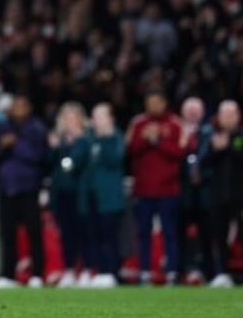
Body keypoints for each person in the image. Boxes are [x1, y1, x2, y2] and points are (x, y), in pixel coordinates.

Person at [125, 90, 186, 286]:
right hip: (143, 189)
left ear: (164, 103)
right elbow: (130, 150)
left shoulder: (175, 124)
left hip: (168, 189)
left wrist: (157, 140)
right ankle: (144, 272)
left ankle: (172, 273)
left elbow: (180, 153)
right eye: (149, 103)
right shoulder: (138, 123)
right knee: (143, 233)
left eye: (157, 102)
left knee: (170, 232)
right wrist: (145, 139)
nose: (153, 107)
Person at [0, 95, 48, 288]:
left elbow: (38, 157)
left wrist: (16, 144)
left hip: (28, 187)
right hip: (6, 188)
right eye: (15, 106)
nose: (18, 110)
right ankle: (8, 275)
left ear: (29, 108)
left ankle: (37, 274)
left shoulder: (37, 128)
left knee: (34, 233)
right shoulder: (2, 128)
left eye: (22, 106)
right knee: (7, 234)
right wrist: (0, 146)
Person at [75, 103, 126, 288]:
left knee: (109, 237)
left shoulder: (116, 137)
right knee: (93, 236)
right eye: (94, 116)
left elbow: (115, 160)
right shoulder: (88, 138)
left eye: (101, 116)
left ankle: (111, 271)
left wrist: (104, 140)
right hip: (90, 196)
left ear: (110, 118)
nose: (96, 120)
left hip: (109, 197)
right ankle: (97, 271)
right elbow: (78, 162)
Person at [48, 102, 90, 288]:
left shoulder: (86, 140)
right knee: (66, 234)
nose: (69, 122)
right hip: (61, 194)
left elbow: (75, 165)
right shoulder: (58, 141)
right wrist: (54, 147)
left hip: (81, 194)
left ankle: (88, 270)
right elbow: (50, 165)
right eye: (66, 118)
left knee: (84, 234)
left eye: (73, 118)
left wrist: (67, 148)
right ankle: (69, 270)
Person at [201, 100, 243, 288]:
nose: (228, 118)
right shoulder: (211, 137)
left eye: (231, 114)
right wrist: (215, 151)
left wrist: (227, 149)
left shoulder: (240, 137)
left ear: (238, 116)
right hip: (219, 196)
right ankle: (222, 273)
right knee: (219, 236)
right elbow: (203, 164)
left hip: (239, 195)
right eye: (224, 114)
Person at [177, 97, 213, 283]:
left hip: (205, 192)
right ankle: (181, 271)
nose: (192, 113)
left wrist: (203, 174)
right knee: (180, 235)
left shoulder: (210, 132)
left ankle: (210, 272)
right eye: (189, 109)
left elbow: (214, 160)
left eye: (195, 109)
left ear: (202, 111)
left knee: (207, 234)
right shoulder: (175, 131)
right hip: (181, 192)